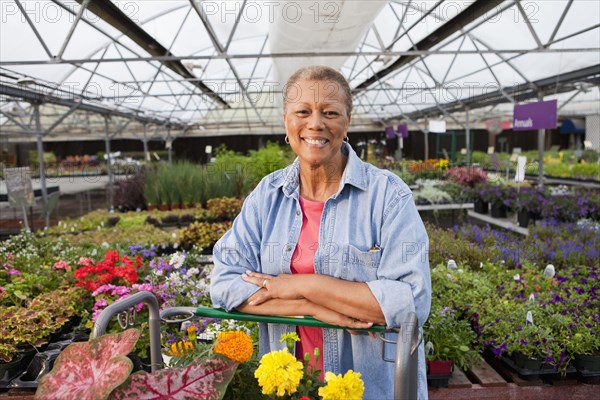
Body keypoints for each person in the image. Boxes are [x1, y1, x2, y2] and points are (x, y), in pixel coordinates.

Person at [210, 65, 431, 399]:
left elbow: (409, 302)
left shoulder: (388, 196)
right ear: (286, 121)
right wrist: (311, 308)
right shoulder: (266, 197)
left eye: (330, 112)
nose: (315, 124)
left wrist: (300, 284)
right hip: (288, 387)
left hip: (370, 388)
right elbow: (225, 285)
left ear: (347, 122)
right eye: (303, 112)